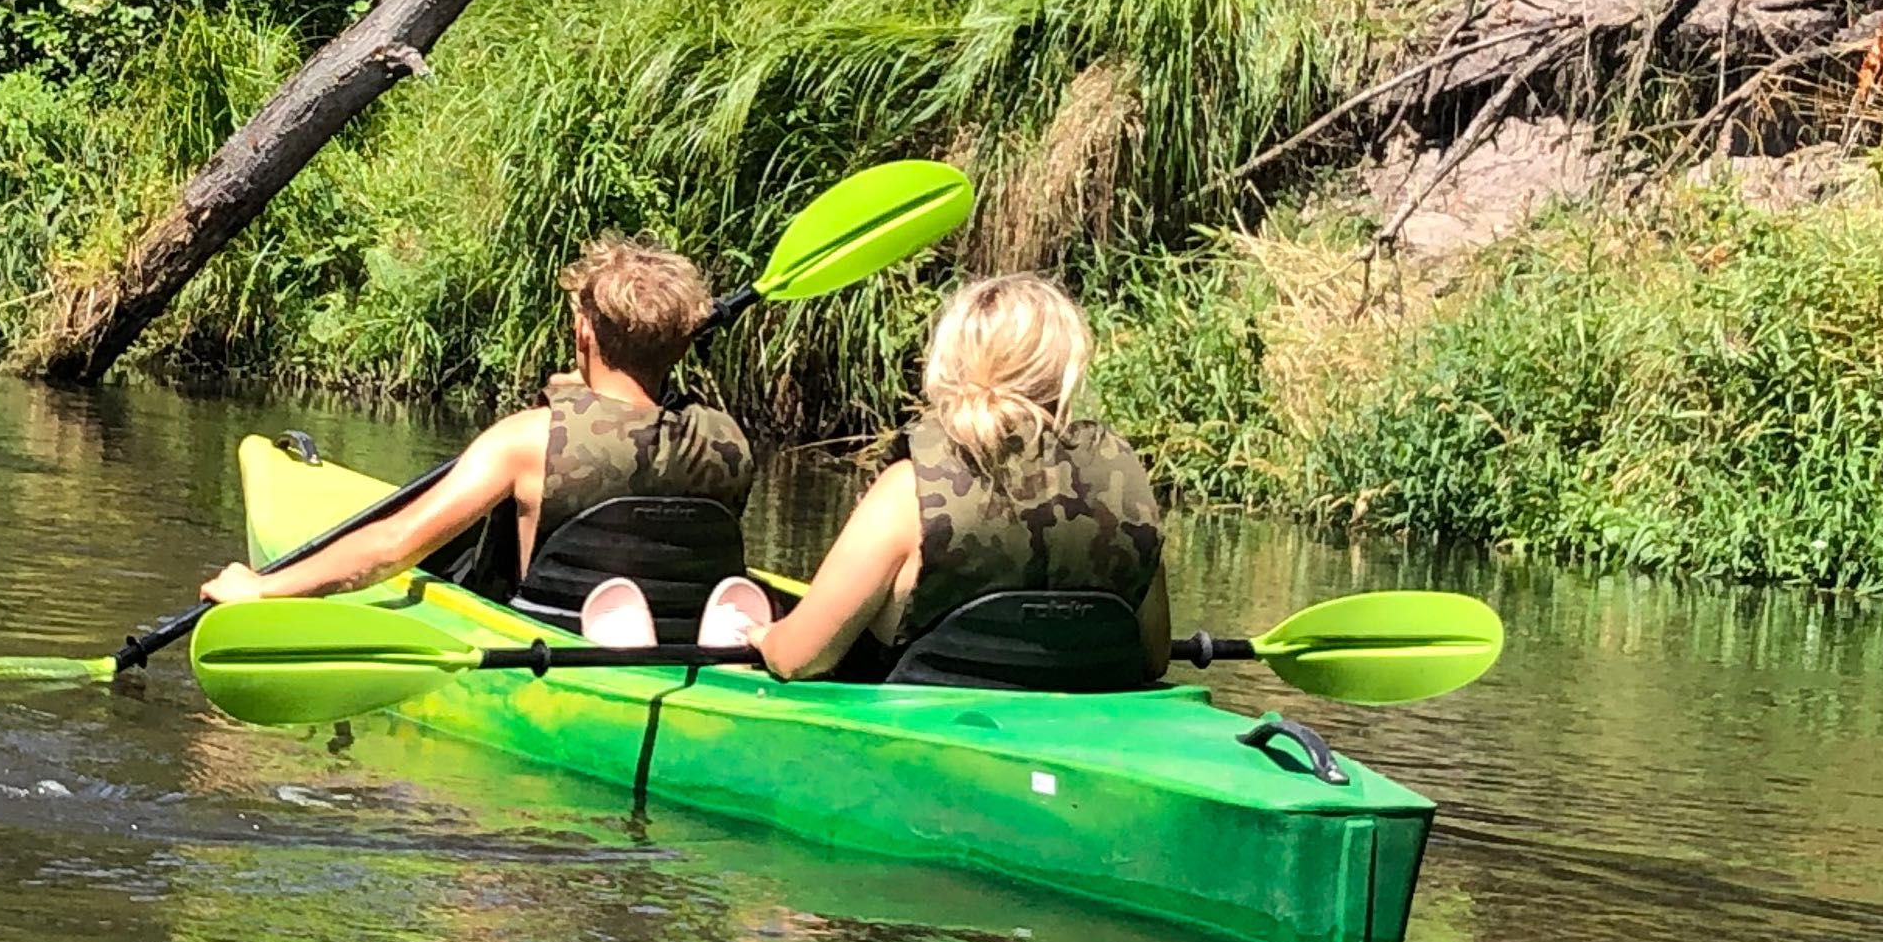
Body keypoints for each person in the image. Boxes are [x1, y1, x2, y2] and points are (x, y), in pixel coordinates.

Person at [199, 235, 755, 608]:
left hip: (548, 643)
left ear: (583, 333)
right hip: (676, 641)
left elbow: (393, 546)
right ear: (680, 345)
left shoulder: (527, 441)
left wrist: (263, 589)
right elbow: (639, 432)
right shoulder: (728, 443)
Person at [745, 272, 1168, 682]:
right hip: (1083, 727)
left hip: (918, 736)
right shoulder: (1124, 491)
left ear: (949, 361)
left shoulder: (906, 493)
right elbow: (1154, 658)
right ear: (1065, 368)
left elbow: (798, 660)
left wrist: (765, 637)